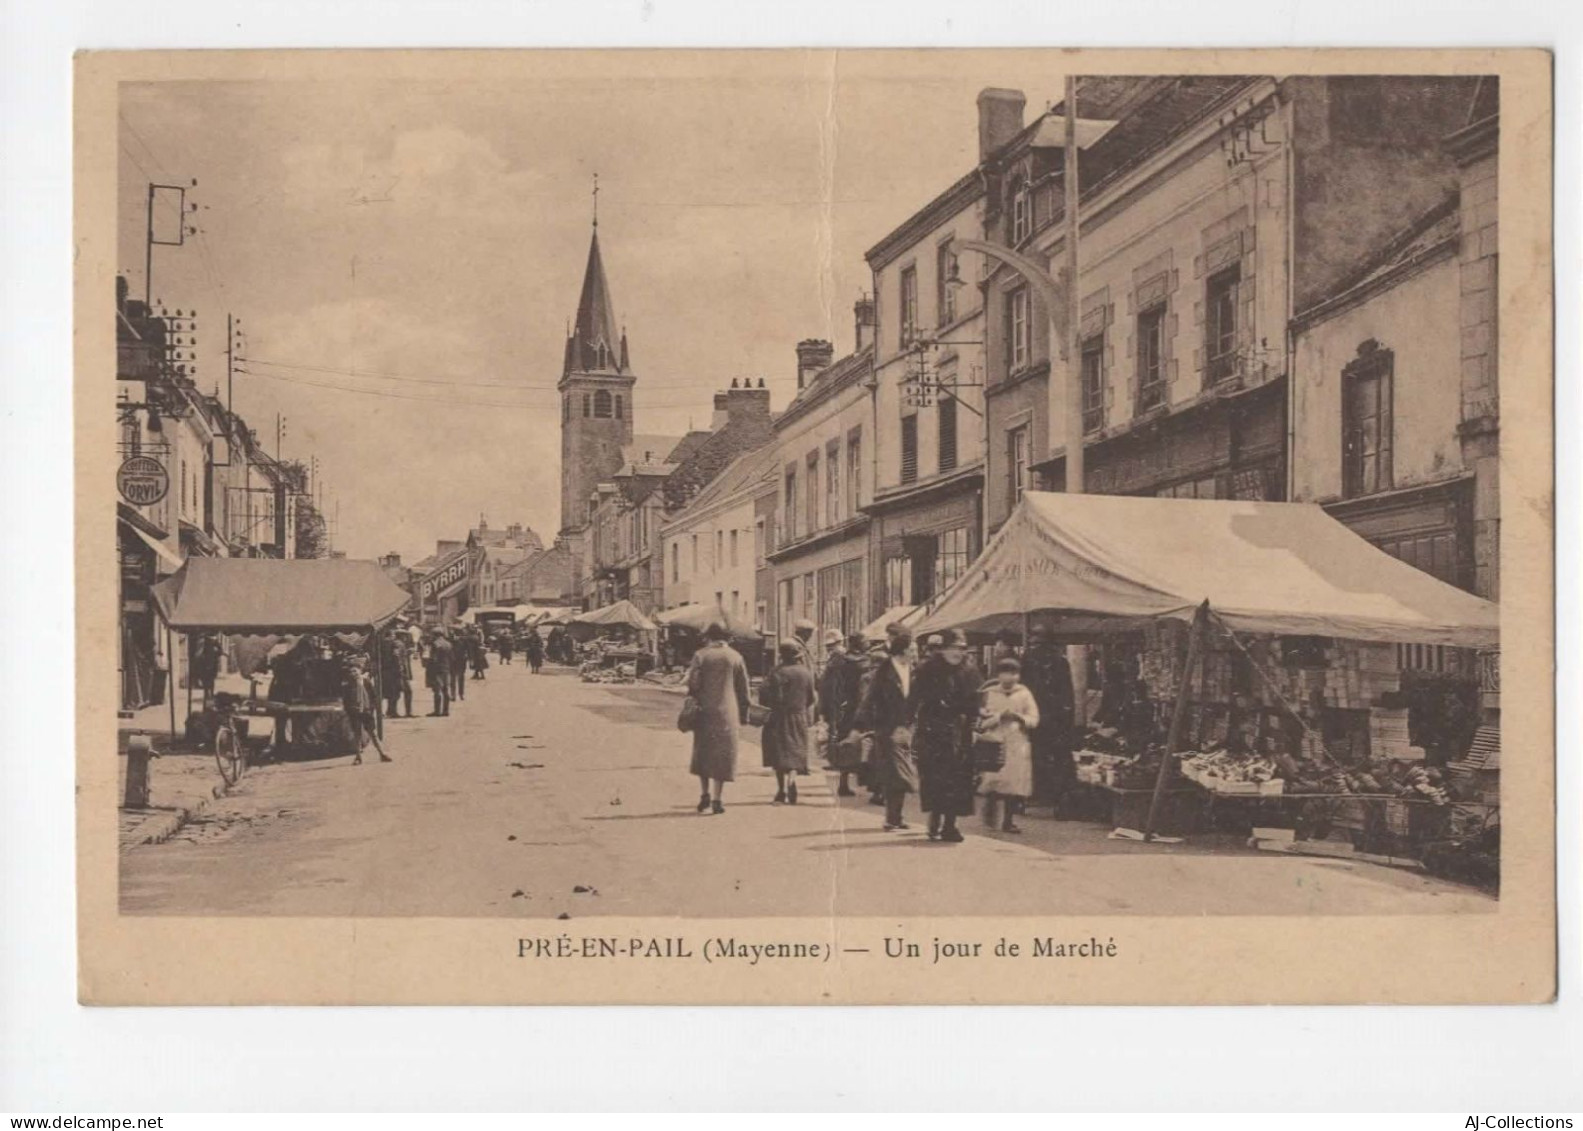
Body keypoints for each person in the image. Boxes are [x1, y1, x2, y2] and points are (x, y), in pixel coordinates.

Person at [912, 628, 983, 843]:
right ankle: (935, 815)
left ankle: (950, 825)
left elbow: (977, 700)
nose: (957, 653)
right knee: (935, 777)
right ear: (942, 650)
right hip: (933, 732)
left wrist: (978, 714)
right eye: (952, 648)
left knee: (958, 779)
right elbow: (914, 699)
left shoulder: (970, 672)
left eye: (961, 649)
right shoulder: (928, 670)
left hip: (959, 733)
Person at [854, 627, 917, 831]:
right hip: (887, 728)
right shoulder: (885, 670)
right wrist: (860, 724)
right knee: (896, 773)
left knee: (897, 773)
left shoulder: (913, 671)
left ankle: (895, 817)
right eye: (913, 649)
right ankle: (892, 817)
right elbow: (869, 698)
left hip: (908, 730)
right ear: (903, 651)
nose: (916, 653)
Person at [686, 622, 751, 815]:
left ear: (709, 637)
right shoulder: (735, 657)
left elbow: (693, 684)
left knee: (703, 753)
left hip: (704, 711)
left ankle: (704, 794)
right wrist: (745, 714)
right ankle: (717, 798)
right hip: (727, 712)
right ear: (726, 637)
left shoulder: (701, 655)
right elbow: (744, 690)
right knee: (722, 755)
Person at [978, 657, 1041, 833]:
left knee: (1014, 784)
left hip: (1017, 741)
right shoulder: (989, 692)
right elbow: (980, 721)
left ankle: (1008, 820)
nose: (1010, 678)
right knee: (994, 780)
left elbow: (1034, 718)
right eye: (1006, 673)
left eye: (1014, 674)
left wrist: (1020, 718)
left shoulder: (1024, 693)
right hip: (994, 740)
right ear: (999, 675)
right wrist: (998, 717)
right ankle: (990, 806)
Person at [1022, 622, 1076, 815]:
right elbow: (1067, 694)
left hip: (1041, 718)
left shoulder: (1029, 660)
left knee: (1035, 758)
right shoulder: (1058, 661)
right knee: (1058, 760)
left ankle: (1037, 798)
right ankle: (1059, 802)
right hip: (1053, 719)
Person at [760, 640, 817, 804]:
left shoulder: (776, 672)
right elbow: (811, 698)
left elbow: (764, 695)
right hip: (798, 717)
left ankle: (781, 790)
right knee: (795, 752)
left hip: (778, 718)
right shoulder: (805, 673)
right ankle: (792, 780)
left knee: (778, 754)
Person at [820, 631, 865, 797]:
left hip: (844, 707)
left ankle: (844, 782)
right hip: (855, 708)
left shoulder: (840, 661)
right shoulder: (858, 662)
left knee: (845, 742)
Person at [342, 654, 392, 765]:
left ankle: (382, 753)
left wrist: (371, 709)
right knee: (357, 734)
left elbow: (373, 696)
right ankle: (358, 757)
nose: (353, 674)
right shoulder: (348, 685)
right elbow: (345, 700)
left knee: (372, 733)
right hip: (354, 712)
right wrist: (349, 710)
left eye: (355, 671)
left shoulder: (366, 682)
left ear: (360, 671)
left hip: (366, 711)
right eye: (351, 672)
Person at [380, 633, 413, 719]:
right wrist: (400, 669)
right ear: (403, 636)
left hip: (397, 672)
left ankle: (392, 711)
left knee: (395, 692)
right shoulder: (398, 644)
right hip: (399, 672)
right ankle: (403, 712)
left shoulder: (397, 643)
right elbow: (396, 655)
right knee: (404, 691)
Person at [426, 630, 453, 717]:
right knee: (445, 690)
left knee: (437, 690)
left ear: (435, 635)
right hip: (447, 668)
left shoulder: (435, 644)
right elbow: (452, 657)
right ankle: (446, 710)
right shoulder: (448, 644)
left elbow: (434, 658)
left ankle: (437, 711)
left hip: (437, 669)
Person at [449, 627, 469, 701]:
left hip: (454, 661)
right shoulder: (464, 640)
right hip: (461, 661)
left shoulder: (451, 640)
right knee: (460, 678)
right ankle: (460, 694)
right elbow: (467, 651)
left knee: (453, 678)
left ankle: (454, 695)